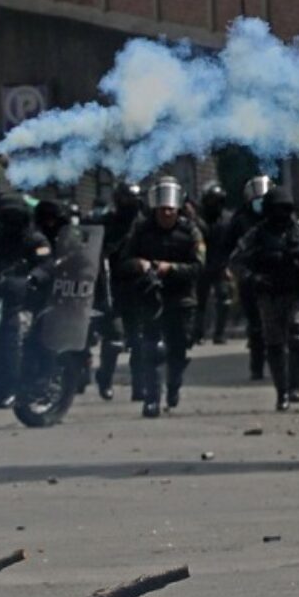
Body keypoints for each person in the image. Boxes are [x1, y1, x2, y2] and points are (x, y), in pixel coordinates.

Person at [231, 188, 299, 411]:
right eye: (277, 209)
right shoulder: (256, 234)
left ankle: (295, 386)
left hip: (297, 294)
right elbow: (236, 262)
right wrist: (253, 278)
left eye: (285, 209)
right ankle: (282, 392)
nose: (282, 214)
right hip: (268, 295)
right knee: (274, 344)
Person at [121, 176, 206, 418]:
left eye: (171, 207)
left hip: (181, 298)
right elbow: (123, 262)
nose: (167, 212)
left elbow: (199, 267)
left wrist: (172, 269)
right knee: (152, 348)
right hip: (152, 296)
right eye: (162, 208)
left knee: (177, 349)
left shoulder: (191, 231)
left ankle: (174, 385)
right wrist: (139, 264)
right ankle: (151, 399)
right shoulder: (141, 229)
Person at [0, 192, 53, 404]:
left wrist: (33, 278)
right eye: (6, 216)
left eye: (14, 216)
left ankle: (11, 384)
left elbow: (47, 265)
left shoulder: (35, 240)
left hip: (24, 298)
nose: (10, 221)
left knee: (9, 329)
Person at [93, 181, 147, 400]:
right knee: (114, 338)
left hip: (136, 287)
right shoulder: (106, 224)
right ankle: (105, 377)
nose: (130, 205)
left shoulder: (144, 226)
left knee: (139, 340)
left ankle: (139, 386)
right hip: (110, 287)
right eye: (127, 200)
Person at [227, 175, 273, 379]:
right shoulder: (240, 220)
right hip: (250, 278)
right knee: (256, 326)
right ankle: (257, 366)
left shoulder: (282, 218)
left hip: (276, 277)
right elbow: (228, 249)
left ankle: (280, 367)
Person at [194, 181, 234, 345]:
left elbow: (233, 242)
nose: (214, 205)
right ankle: (198, 333)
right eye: (211, 201)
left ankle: (219, 333)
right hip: (202, 265)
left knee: (224, 298)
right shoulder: (198, 219)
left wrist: (229, 265)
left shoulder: (227, 219)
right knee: (199, 301)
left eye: (217, 201)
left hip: (221, 264)